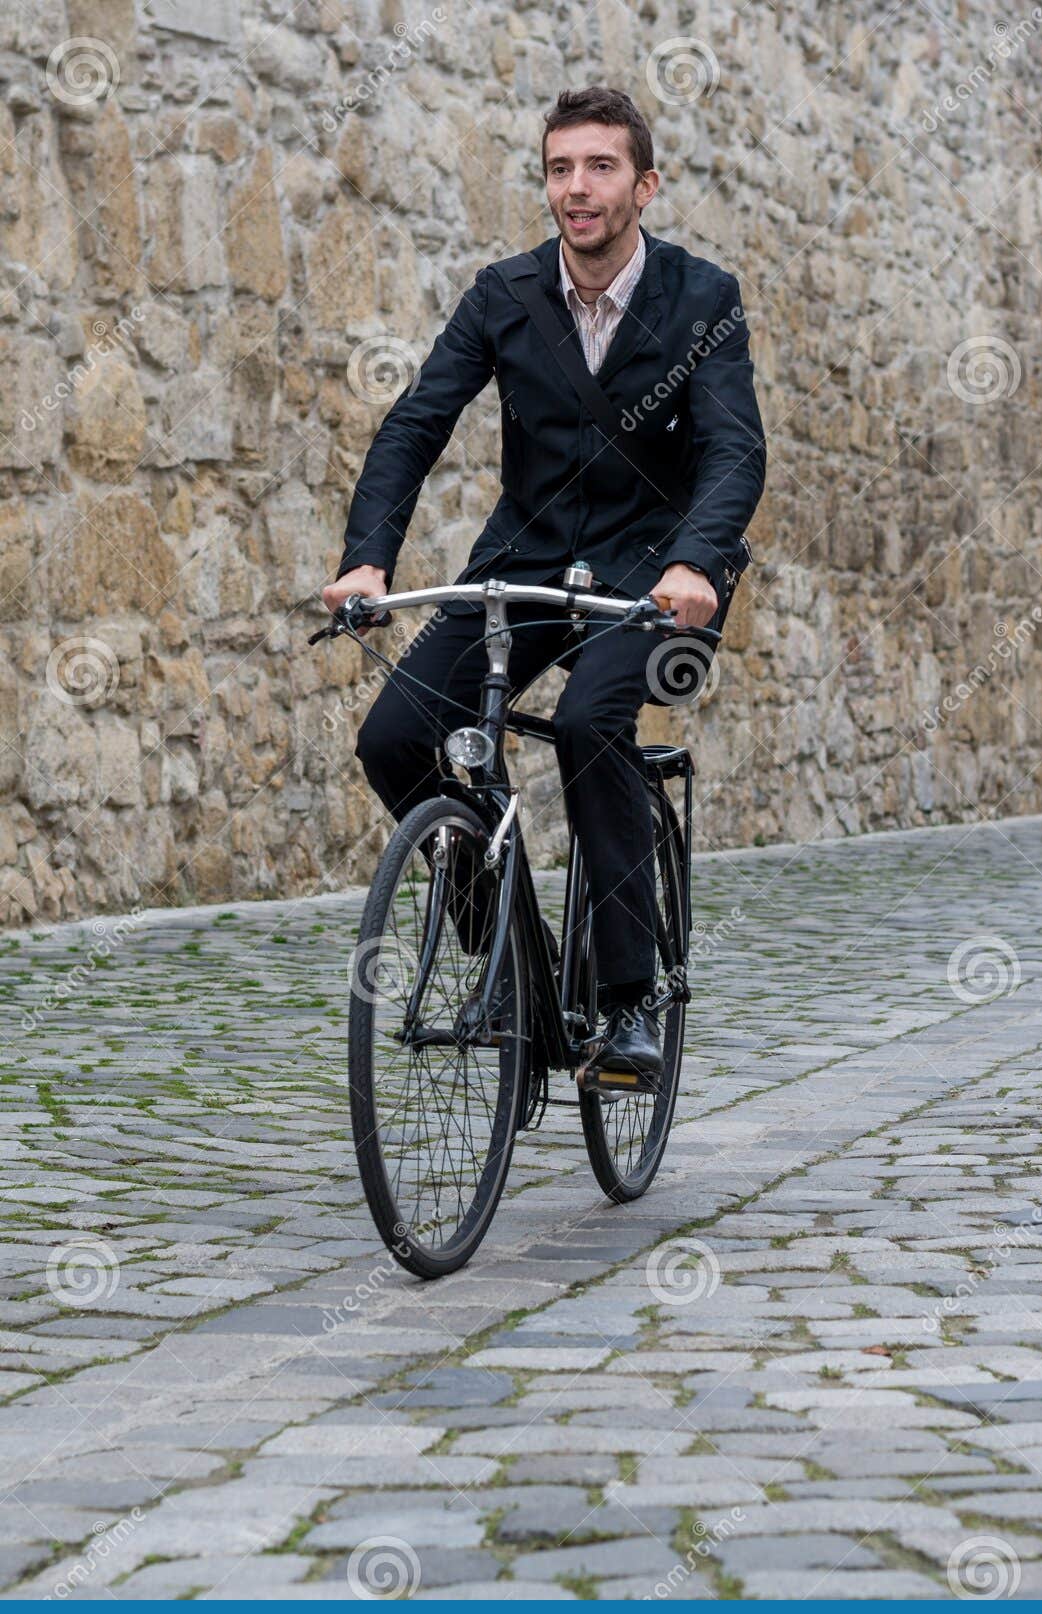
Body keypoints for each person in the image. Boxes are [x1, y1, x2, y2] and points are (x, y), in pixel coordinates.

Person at [323, 85, 766, 1079]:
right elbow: (415, 424)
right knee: (393, 735)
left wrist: (696, 561)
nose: (577, 187)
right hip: (524, 566)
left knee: (586, 723)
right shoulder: (504, 295)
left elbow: (735, 453)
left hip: (659, 579)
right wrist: (368, 556)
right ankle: (505, 941)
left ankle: (626, 998)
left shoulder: (702, 300)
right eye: (560, 168)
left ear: (643, 185)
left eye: (600, 167)